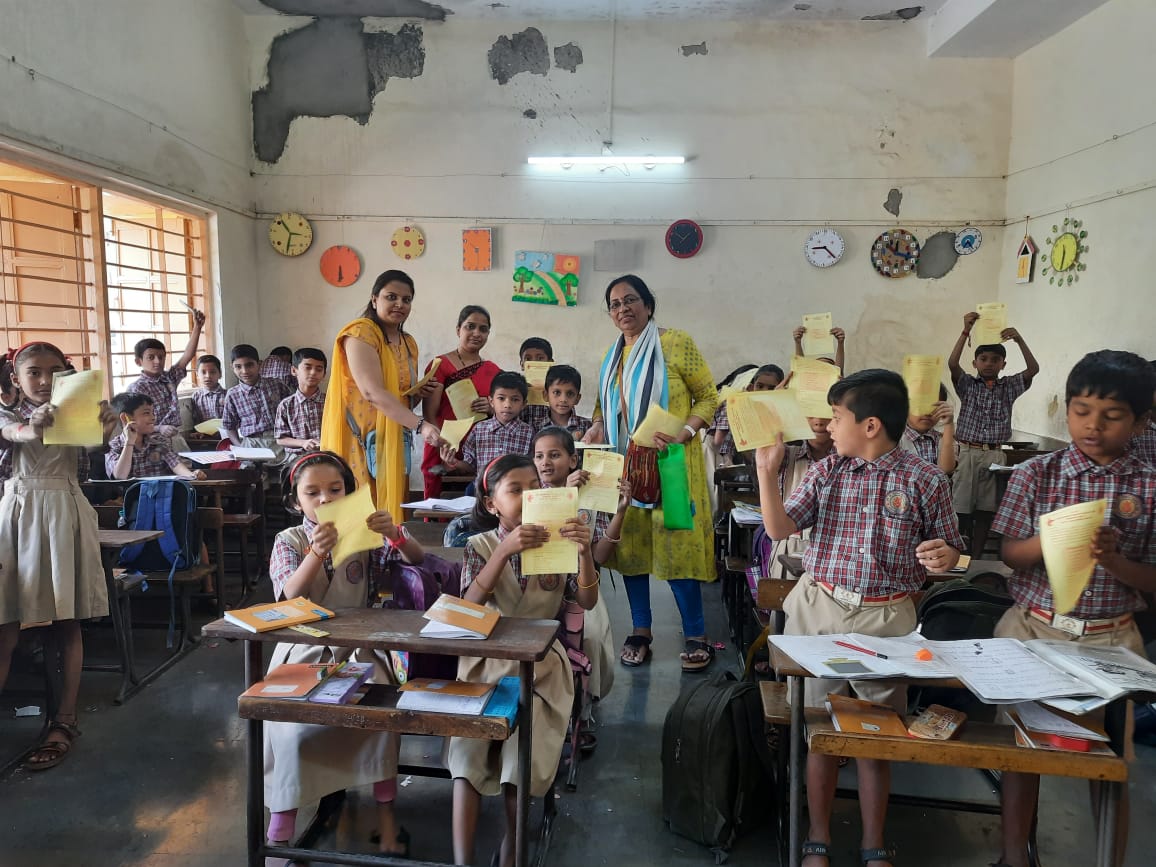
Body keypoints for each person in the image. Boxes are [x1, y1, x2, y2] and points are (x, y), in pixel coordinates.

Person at [755, 369, 963, 867]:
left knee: (876, 735)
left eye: (836, 417)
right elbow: (780, 527)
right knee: (819, 732)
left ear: (870, 425)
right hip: (820, 609)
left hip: (886, 618)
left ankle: (873, 841)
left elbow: (952, 549)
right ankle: (818, 837)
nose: (828, 426)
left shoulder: (925, 479)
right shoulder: (827, 471)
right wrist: (766, 472)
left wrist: (945, 556)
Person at [989, 350, 1156, 867]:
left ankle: (1110, 858)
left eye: (1112, 416)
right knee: (1022, 752)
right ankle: (1015, 856)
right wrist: (1052, 538)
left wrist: (1114, 560)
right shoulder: (1037, 473)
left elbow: (1152, 579)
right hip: (1033, 629)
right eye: (1082, 411)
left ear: (1141, 422)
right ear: (1068, 410)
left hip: (1111, 638)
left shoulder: (1149, 485)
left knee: (1109, 763)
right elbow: (1009, 554)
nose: (1093, 426)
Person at [264, 451, 421, 859]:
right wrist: (316, 553)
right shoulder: (289, 541)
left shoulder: (364, 534)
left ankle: (386, 814)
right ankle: (281, 828)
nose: (325, 499)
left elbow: (416, 559)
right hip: (304, 651)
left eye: (336, 490)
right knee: (291, 730)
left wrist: (395, 534)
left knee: (380, 720)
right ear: (295, 501)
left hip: (362, 651)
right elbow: (289, 596)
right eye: (312, 493)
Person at [448, 455, 597, 867]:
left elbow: (586, 601)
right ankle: (462, 860)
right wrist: (503, 552)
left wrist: (585, 553)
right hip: (486, 667)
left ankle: (512, 851)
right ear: (491, 503)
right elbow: (466, 610)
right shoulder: (479, 545)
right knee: (467, 757)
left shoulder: (559, 540)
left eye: (535, 487)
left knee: (519, 759)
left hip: (541, 669)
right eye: (516, 490)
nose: (530, 495)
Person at [585, 275, 719, 671]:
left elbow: (708, 397)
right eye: (614, 304)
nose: (622, 308)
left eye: (630, 300)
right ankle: (640, 631)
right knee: (630, 548)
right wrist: (596, 426)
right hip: (625, 468)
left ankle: (695, 633)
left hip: (671, 465)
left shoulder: (676, 343)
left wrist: (684, 433)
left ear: (648, 304)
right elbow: (601, 406)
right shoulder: (612, 356)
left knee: (678, 547)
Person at [0, 342, 118, 771]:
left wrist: (106, 428)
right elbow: (15, 433)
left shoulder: (79, 411)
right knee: (5, 622)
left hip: (66, 511)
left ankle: (64, 720)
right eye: (34, 371)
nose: (45, 380)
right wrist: (32, 426)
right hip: (19, 515)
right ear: (16, 378)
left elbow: (97, 446)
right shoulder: (8, 415)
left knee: (67, 621)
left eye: (54, 371)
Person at [321, 270, 444, 518]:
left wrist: (418, 393)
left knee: (389, 513)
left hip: (393, 440)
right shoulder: (360, 333)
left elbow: (400, 399)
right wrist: (421, 425)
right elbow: (372, 392)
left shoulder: (408, 342)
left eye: (406, 299)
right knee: (361, 510)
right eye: (391, 297)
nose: (400, 304)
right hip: (358, 438)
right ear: (374, 299)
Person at [532, 425, 629, 725]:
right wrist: (565, 494)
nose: (545, 462)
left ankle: (583, 707)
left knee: (592, 634)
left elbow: (599, 556)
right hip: (537, 587)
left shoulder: (590, 498)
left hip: (578, 588)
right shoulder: (529, 494)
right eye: (539, 456)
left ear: (573, 460)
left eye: (555, 455)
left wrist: (620, 512)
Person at [948, 313, 1040, 557]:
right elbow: (952, 364)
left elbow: (1033, 369)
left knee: (986, 511)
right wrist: (965, 331)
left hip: (995, 455)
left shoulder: (1008, 387)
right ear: (975, 363)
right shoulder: (967, 385)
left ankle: (977, 558)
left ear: (1003, 364)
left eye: (995, 359)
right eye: (983, 359)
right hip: (967, 452)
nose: (989, 363)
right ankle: (960, 557)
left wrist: (1019, 340)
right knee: (960, 509)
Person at [420, 305, 501, 496]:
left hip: (480, 447)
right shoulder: (440, 365)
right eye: (470, 326)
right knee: (439, 501)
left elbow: (504, 409)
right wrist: (440, 446)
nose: (476, 333)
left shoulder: (493, 370)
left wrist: (491, 409)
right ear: (458, 330)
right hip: (444, 444)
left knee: (480, 499)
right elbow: (430, 415)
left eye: (483, 329)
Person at [126, 307, 205, 451]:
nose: (157, 361)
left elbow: (188, 355)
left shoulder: (169, 378)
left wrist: (197, 327)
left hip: (174, 437)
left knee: (186, 464)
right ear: (138, 362)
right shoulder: (136, 388)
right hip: (151, 442)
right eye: (151, 357)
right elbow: (134, 423)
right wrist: (159, 428)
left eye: (161, 357)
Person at [441, 371, 533, 480]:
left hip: (516, 487)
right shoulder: (479, 430)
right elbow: (470, 466)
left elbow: (532, 468)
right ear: (491, 401)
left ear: (523, 404)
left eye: (515, 399)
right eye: (501, 398)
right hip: (484, 488)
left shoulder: (529, 433)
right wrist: (454, 462)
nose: (507, 405)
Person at [106, 393, 204, 480]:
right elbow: (120, 476)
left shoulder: (158, 441)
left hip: (162, 492)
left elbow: (175, 464)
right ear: (125, 418)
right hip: (134, 494)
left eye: (153, 412)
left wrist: (191, 475)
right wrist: (129, 443)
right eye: (146, 413)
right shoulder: (114, 446)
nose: (153, 418)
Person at [220, 343, 292, 462]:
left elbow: (291, 412)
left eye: (249, 365)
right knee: (249, 471)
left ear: (259, 364)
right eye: (238, 367)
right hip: (251, 444)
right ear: (232, 367)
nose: (244, 371)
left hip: (279, 440)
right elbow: (229, 426)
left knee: (288, 469)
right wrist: (240, 447)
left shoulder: (277, 385)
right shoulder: (233, 394)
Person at [709, 363, 785, 466]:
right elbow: (722, 441)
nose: (764, 391)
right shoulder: (737, 406)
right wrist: (729, 459)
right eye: (760, 386)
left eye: (771, 388)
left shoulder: (782, 411)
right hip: (735, 460)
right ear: (751, 388)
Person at [275, 347, 327, 460]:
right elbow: (280, 439)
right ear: (294, 370)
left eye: (319, 369)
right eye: (308, 367)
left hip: (326, 457)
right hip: (296, 459)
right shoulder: (286, 405)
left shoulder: (329, 402)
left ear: (324, 374)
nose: (313, 373)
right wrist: (303, 443)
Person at [898, 383, 957, 475]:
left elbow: (946, 470)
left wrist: (949, 424)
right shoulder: (894, 439)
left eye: (934, 407)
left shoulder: (943, 438)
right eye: (921, 406)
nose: (927, 413)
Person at [521, 364, 593, 437]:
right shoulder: (533, 424)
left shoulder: (587, 427)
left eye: (570, 394)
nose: (563, 399)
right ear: (546, 395)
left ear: (577, 398)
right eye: (557, 392)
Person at [189, 354, 227, 428]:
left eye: (212, 372)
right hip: (204, 433)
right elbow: (196, 421)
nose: (208, 376)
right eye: (203, 372)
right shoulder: (196, 397)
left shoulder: (228, 395)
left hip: (226, 432)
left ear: (220, 374)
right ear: (197, 375)